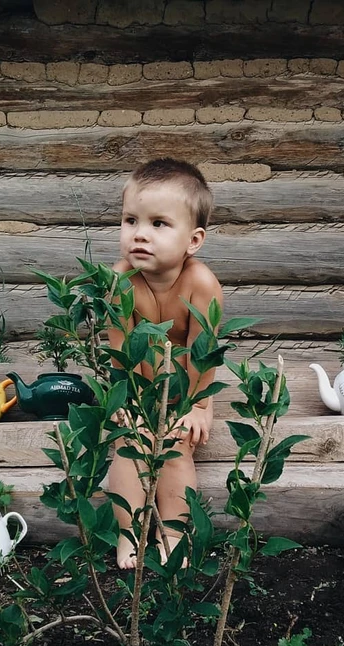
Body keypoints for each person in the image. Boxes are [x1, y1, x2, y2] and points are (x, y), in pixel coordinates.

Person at [108, 158, 223, 569]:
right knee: (130, 444)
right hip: (138, 384)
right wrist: (130, 402)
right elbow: (122, 349)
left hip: (189, 384)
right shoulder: (120, 281)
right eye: (130, 220)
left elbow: (203, 350)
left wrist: (196, 405)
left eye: (159, 223)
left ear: (193, 240)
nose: (139, 234)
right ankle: (130, 536)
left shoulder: (201, 283)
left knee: (175, 445)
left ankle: (173, 535)